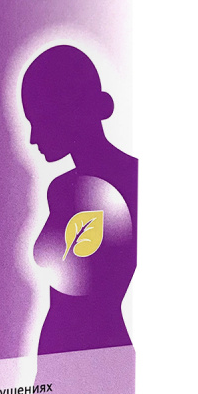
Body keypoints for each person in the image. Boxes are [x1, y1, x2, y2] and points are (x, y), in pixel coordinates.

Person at [21, 45, 138, 356]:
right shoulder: (60, 190)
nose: (33, 138)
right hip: (59, 357)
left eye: (39, 119)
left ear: (66, 110)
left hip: (98, 353)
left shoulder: (132, 181)